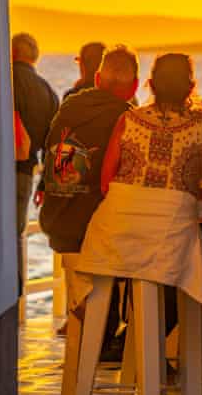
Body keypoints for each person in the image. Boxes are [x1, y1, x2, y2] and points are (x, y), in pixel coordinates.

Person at [75, 53, 202, 312]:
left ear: (151, 85)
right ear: (191, 87)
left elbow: (105, 182)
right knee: (176, 267)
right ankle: (140, 341)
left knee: (142, 262)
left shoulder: (128, 120)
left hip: (114, 237)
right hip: (170, 240)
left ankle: (127, 337)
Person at [39, 45, 138, 253]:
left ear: (97, 79)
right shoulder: (130, 120)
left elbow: (50, 155)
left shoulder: (69, 107)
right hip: (98, 232)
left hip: (59, 229)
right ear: (135, 86)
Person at [12, 32, 59, 294]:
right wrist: (44, 183)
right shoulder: (48, 92)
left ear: (12, 54)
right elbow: (55, 145)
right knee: (17, 234)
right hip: (26, 174)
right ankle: (16, 292)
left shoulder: (6, 84)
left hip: (1, 172)